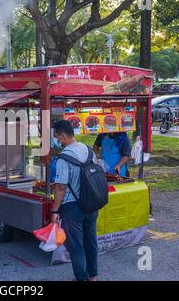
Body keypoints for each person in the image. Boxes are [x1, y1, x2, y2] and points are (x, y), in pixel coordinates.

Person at [51, 120, 99, 281]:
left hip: (73, 208)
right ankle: (93, 277)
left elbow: (60, 187)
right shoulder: (89, 150)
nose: (56, 141)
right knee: (90, 242)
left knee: (76, 247)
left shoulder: (64, 158)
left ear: (63, 136)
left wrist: (55, 210)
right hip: (92, 204)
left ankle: (81, 278)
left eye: (56, 137)